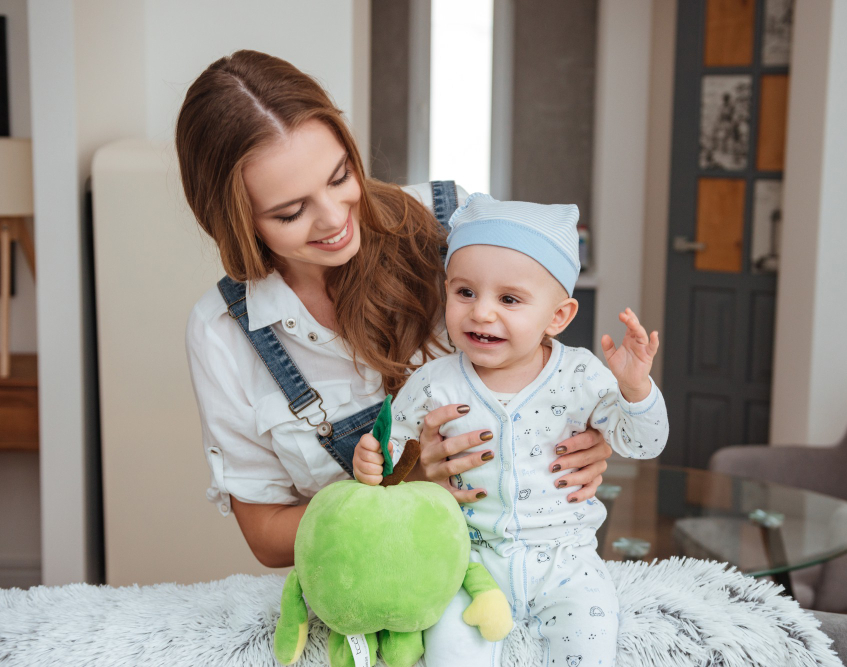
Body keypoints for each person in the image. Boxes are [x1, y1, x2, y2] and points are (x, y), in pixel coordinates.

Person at [176, 50, 613, 569]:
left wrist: (581, 443)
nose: (335, 219)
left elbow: (543, 366)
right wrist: (401, 486)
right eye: (291, 212)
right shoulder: (224, 331)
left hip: (535, 566)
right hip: (378, 593)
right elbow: (268, 538)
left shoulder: (454, 225)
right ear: (235, 221)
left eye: (340, 177)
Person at [353, 194, 669, 667]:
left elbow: (643, 443)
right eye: (464, 293)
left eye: (508, 299)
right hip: (466, 562)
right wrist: (373, 460)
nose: (481, 313)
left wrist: (635, 388)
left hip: (566, 563)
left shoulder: (580, 376)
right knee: (449, 650)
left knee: (591, 643)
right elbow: (394, 454)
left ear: (558, 316)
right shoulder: (434, 382)